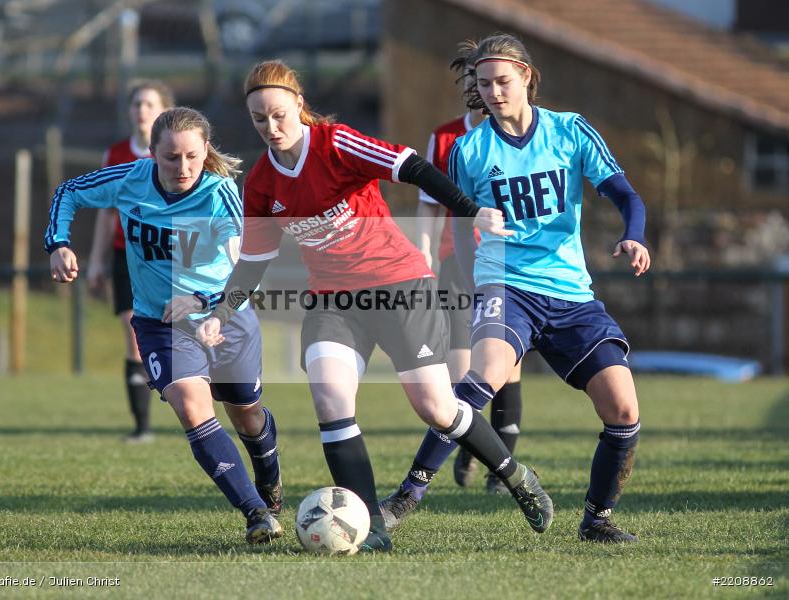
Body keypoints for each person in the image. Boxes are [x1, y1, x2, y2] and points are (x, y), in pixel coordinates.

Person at [196, 60, 554, 553]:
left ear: (299, 105)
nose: (271, 127)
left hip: (400, 286)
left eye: (279, 114)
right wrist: (221, 312)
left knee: (436, 408)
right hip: (334, 303)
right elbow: (252, 263)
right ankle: (371, 530)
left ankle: (515, 475)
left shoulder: (337, 143)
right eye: (260, 119)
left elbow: (414, 167)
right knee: (330, 398)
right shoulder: (261, 183)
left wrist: (470, 212)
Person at [45, 107, 284, 545]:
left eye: (192, 156)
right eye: (171, 158)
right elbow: (69, 191)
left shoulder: (220, 194)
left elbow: (250, 267)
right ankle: (256, 513)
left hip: (226, 316)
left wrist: (205, 302)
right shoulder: (130, 178)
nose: (183, 167)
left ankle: (269, 479)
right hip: (160, 323)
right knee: (192, 407)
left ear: (206, 151)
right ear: (152, 153)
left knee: (247, 414)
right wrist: (58, 243)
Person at [445, 34, 650, 543]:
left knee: (624, 410)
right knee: (478, 384)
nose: (493, 92)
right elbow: (460, 229)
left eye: (502, 81)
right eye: (484, 84)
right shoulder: (469, 150)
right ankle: (408, 494)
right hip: (506, 284)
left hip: (569, 293)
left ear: (527, 77)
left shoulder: (570, 131)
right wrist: (472, 286)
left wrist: (634, 235)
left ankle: (597, 520)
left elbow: (626, 195)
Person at [386, 52, 525, 511]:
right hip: (458, 263)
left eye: (493, 79)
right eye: (476, 81)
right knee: (463, 370)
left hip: (510, 262)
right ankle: (470, 442)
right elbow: (429, 202)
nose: (485, 90)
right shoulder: (448, 137)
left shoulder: (522, 135)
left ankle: (500, 471)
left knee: (507, 367)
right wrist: (424, 252)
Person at [86, 80, 175, 444]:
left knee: (188, 332)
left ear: (164, 111)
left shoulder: (176, 152)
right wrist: (96, 261)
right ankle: (142, 427)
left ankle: (203, 410)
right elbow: (106, 212)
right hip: (128, 255)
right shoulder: (116, 154)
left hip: (171, 255)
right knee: (133, 329)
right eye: (137, 103)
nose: (141, 110)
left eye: (149, 104)